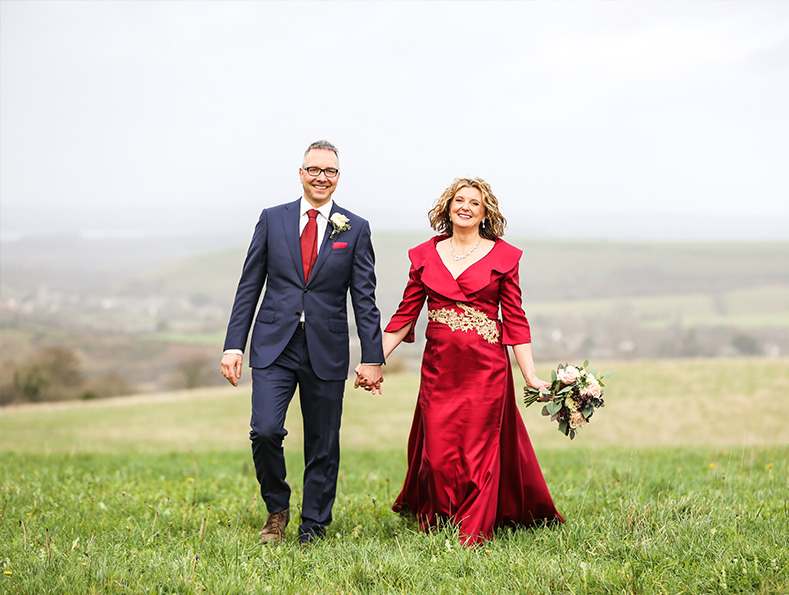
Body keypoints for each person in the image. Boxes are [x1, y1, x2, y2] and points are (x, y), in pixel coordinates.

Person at [359, 176, 563, 546]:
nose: (465, 207)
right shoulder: (423, 256)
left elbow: (515, 317)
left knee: (478, 451)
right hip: (440, 367)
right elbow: (404, 315)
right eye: (459, 200)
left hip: (486, 368)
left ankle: (474, 527)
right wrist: (374, 361)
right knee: (437, 451)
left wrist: (529, 375)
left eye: (474, 202)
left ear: (485, 212)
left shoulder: (504, 256)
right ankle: (440, 518)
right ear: (448, 207)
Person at [221, 140, 384, 545]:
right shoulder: (272, 220)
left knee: (323, 443)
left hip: (326, 348)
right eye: (314, 170)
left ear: (338, 177)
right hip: (274, 344)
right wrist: (233, 345)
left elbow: (364, 298)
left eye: (329, 171)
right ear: (301, 173)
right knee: (265, 430)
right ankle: (277, 509)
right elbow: (249, 287)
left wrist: (373, 357)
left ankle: (313, 526)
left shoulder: (355, 227)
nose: (321, 178)